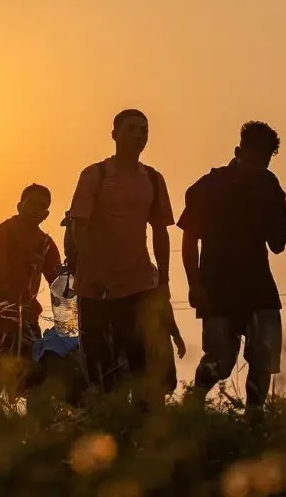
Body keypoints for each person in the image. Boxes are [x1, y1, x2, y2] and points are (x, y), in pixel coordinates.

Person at [178, 121, 286, 411]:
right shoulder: (208, 187)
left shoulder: (269, 184)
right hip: (218, 287)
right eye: (256, 158)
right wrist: (194, 284)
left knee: (263, 358)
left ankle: (254, 418)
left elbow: (279, 243)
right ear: (238, 152)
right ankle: (192, 408)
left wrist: (267, 206)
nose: (260, 165)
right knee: (220, 360)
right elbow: (189, 240)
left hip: (258, 287)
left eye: (266, 159)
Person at [67, 108, 175, 405]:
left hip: (138, 283)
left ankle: (142, 433)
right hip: (96, 287)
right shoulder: (95, 175)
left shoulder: (153, 178)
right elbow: (79, 226)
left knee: (142, 362)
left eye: (144, 129)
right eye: (132, 129)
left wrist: (163, 280)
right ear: (114, 134)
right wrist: (96, 270)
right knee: (101, 366)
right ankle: (104, 425)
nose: (140, 134)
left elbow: (161, 231)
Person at [0, 184, 62, 396]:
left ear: (46, 214)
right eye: (31, 204)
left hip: (26, 323)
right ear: (19, 205)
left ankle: (31, 428)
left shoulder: (45, 244)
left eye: (42, 207)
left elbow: (59, 282)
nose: (35, 210)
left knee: (37, 388)